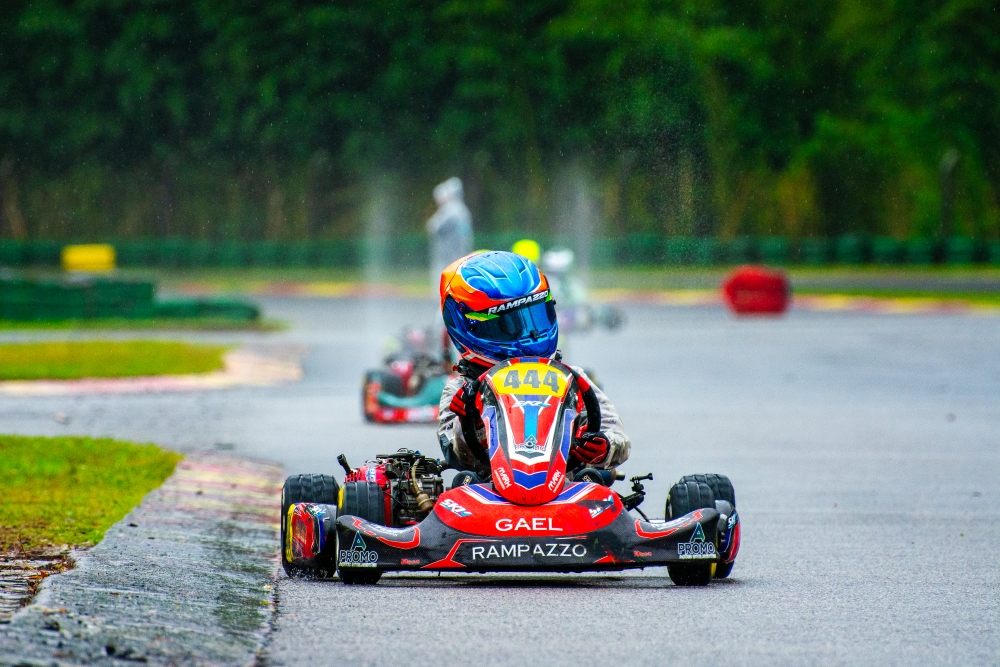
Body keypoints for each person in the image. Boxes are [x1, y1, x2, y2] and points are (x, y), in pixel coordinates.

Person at [435, 250, 630, 483]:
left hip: (566, 490)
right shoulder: (461, 388)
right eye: (508, 325)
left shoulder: (573, 379)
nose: (529, 336)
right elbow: (459, 456)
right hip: (490, 493)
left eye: (535, 317)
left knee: (599, 480)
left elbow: (618, 438)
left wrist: (604, 447)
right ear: (470, 326)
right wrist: (470, 420)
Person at [426, 177, 474, 291]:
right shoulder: (463, 210)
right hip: (461, 255)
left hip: (447, 256)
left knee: (445, 287)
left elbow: (433, 227)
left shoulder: (450, 210)